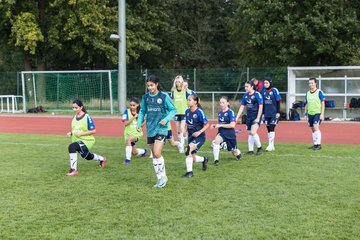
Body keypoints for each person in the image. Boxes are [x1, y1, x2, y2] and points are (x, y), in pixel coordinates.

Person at [137, 75, 177, 188]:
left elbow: (173, 110)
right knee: (155, 155)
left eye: (152, 85)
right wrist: (139, 124)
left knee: (157, 152)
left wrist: (166, 119)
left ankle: (164, 177)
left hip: (161, 129)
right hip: (150, 129)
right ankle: (159, 178)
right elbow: (142, 111)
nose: (150, 87)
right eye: (148, 85)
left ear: (156, 84)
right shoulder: (145, 98)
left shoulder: (164, 96)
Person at [66, 99, 106, 176]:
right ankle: (102, 159)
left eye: (76, 107)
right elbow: (75, 130)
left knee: (71, 147)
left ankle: (74, 170)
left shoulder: (86, 117)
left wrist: (81, 134)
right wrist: (70, 133)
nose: (74, 109)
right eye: (73, 108)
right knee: (87, 156)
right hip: (78, 140)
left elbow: (94, 130)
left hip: (87, 141)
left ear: (81, 107)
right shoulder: (74, 117)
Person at [182, 94, 209, 178]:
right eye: (188, 100)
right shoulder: (187, 111)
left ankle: (189, 173)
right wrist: (185, 130)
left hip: (199, 137)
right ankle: (204, 159)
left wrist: (199, 132)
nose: (188, 101)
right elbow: (187, 123)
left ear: (195, 102)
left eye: (190, 100)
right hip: (191, 136)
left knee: (187, 149)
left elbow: (207, 124)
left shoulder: (199, 112)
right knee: (192, 157)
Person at [211, 96, 242, 166]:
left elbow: (232, 125)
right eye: (220, 102)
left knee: (234, 151)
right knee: (216, 141)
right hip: (221, 133)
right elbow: (220, 124)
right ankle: (216, 160)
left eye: (223, 102)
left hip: (230, 134)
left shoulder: (230, 112)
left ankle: (238, 154)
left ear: (227, 103)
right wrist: (215, 125)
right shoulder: (220, 113)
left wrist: (220, 125)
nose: (221, 104)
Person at [236, 80, 264, 155]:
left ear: (252, 87)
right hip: (248, 117)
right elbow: (242, 107)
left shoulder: (257, 94)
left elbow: (261, 107)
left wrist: (258, 118)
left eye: (247, 86)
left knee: (253, 132)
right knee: (250, 133)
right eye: (245, 86)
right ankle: (250, 150)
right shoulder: (245, 95)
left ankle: (260, 148)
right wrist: (237, 117)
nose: (245, 88)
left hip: (256, 116)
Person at [170, 75, 195, 153]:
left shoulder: (185, 90)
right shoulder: (173, 91)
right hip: (176, 112)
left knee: (182, 128)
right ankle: (181, 143)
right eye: (176, 81)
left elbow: (191, 97)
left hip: (184, 112)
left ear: (181, 82)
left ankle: (182, 146)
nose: (177, 83)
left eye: (179, 81)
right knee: (178, 130)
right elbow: (172, 101)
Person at [122, 97, 147, 164]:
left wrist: (141, 125)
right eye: (131, 105)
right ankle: (144, 151)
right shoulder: (126, 112)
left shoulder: (141, 112)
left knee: (129, 140)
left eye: (134, 105)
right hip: (128, 133)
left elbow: (144, 121)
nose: (132, 107)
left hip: (137, 133)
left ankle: (127, 160)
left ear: (138, 105)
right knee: (134, 153)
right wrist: (133, 117)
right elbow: (125, 123)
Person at [304, 77, 325, 150]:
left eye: (312, 83)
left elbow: (323, 103)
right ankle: (315, 144)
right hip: (310, 114)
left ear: (315, 83)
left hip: (317, 113)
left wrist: (322, 114)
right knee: (312, 129)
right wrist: (305, 114)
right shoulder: (307, 93)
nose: (310, 84)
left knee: (316, 127)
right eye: (309, 83)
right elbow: (306, 104)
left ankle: (319, 145)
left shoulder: (319, 92)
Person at [261, 77, 281, 151]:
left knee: (272, 128)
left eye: (267, 83)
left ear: (270, 83)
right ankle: (272, 146)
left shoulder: (274, 90)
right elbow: (262, 104)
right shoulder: (263, 92)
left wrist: (278, 112)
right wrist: (263, 114)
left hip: (274, 113)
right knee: (268, 129)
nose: (265, 84)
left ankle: (270, 145)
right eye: (264, 83)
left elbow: (278, 101)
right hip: (266, 114)